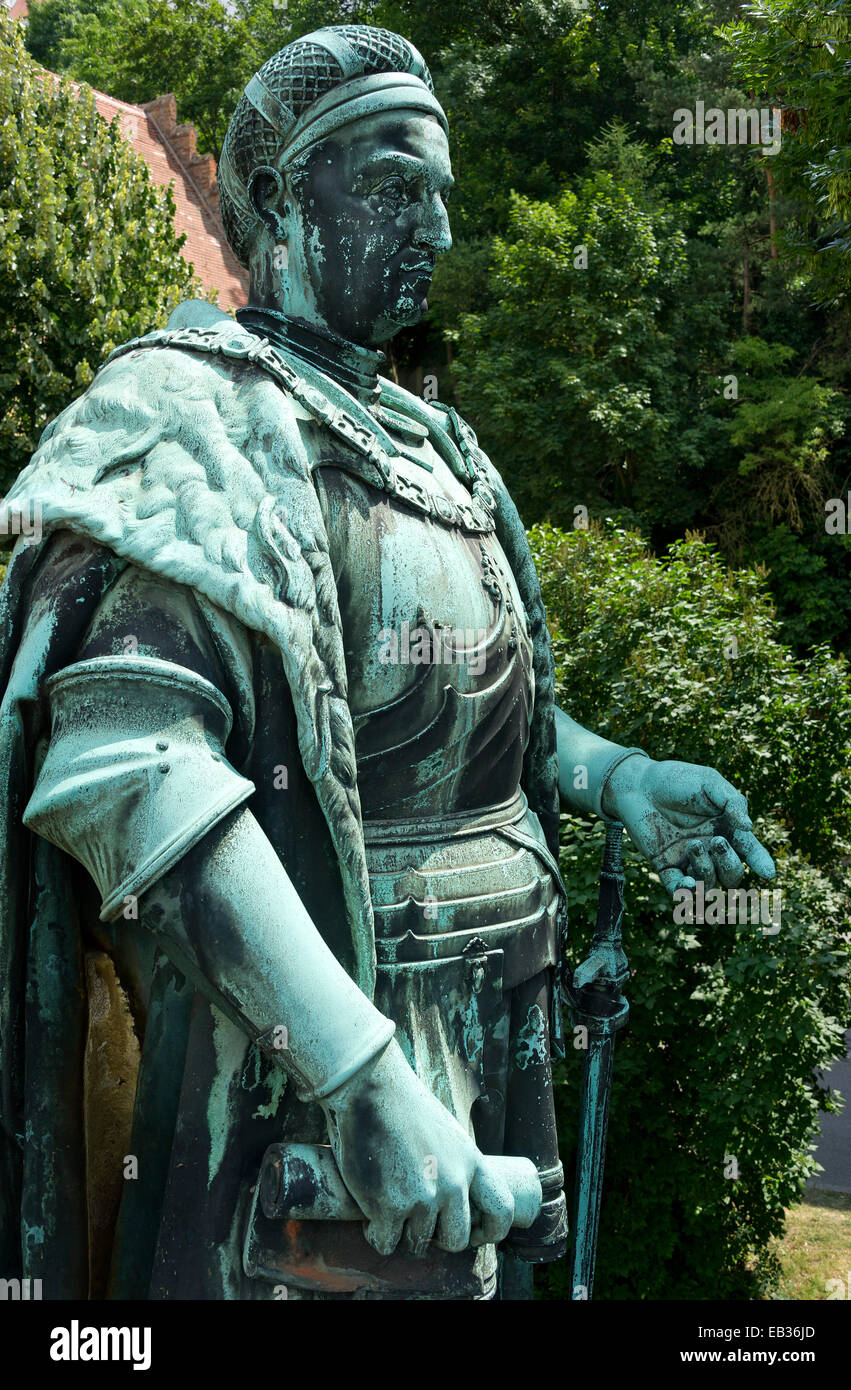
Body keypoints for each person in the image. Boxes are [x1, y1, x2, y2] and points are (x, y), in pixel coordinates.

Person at [0, 23, 774, 1300]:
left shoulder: (440, 450)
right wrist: (360, 1077)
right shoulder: (193, 422)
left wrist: (614, 773)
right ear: (277, 200)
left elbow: (477, 727)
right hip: (306, 1094)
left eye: (445, 197)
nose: (439, 230)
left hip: (494, 1046)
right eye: (395, 184)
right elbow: (129, 760)